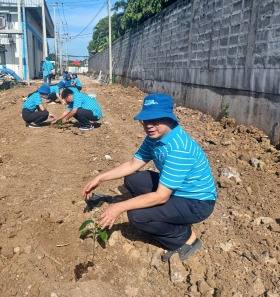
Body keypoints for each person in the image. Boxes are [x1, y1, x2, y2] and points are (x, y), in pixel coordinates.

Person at [82, 94, 217, 262]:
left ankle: (186, 239)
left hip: (197, 202)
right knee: (132, 179)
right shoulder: (155, 137)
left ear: (169, 118)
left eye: (156, 120)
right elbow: (133, 164)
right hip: (177, 190)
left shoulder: (179, 149)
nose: (149, 126)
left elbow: (161, 196)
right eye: (145, 120)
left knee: (137, 216)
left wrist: (119, 207)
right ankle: (163, 216)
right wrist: (100, 178)